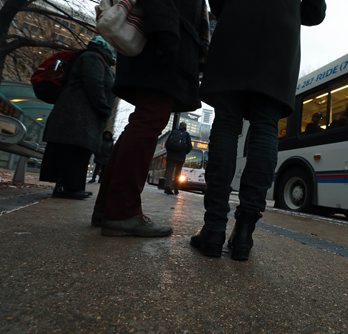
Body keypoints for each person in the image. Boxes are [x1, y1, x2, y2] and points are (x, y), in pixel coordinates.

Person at [190, 0, 327, 260]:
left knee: (226, 124)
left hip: (236, 29)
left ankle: (213, 229)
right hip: (278, 40)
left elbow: (218, 3)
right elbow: (314, 12)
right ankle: (244, 234)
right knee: (266, 127)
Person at [91, 0, 209, 237]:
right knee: (150, 120)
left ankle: (109, 208)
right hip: (164, 42)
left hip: (160, 38)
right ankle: (122, 212)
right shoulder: (166, 36)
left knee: (143, 121)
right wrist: (167, 36)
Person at [39, 35, 115, 200]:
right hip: (77, 115)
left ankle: (71, 186)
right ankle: (68, 187)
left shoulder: (95, 58)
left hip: (79, 114)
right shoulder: (93, 58)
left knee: (77, 151)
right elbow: (94, 84)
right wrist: (104, 108)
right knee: (74, 150)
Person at [164, 122, 193, 195]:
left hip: (171, 156)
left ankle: (168, 186)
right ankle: (176, 188)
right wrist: (184, 152)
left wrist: (170, 152)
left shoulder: (174, 132)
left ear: (179, 126)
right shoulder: (187, 134)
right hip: (180, 157)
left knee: (169, 172)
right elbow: (190, 147)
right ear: (185, 127)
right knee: (178, 173)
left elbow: (167, 144)